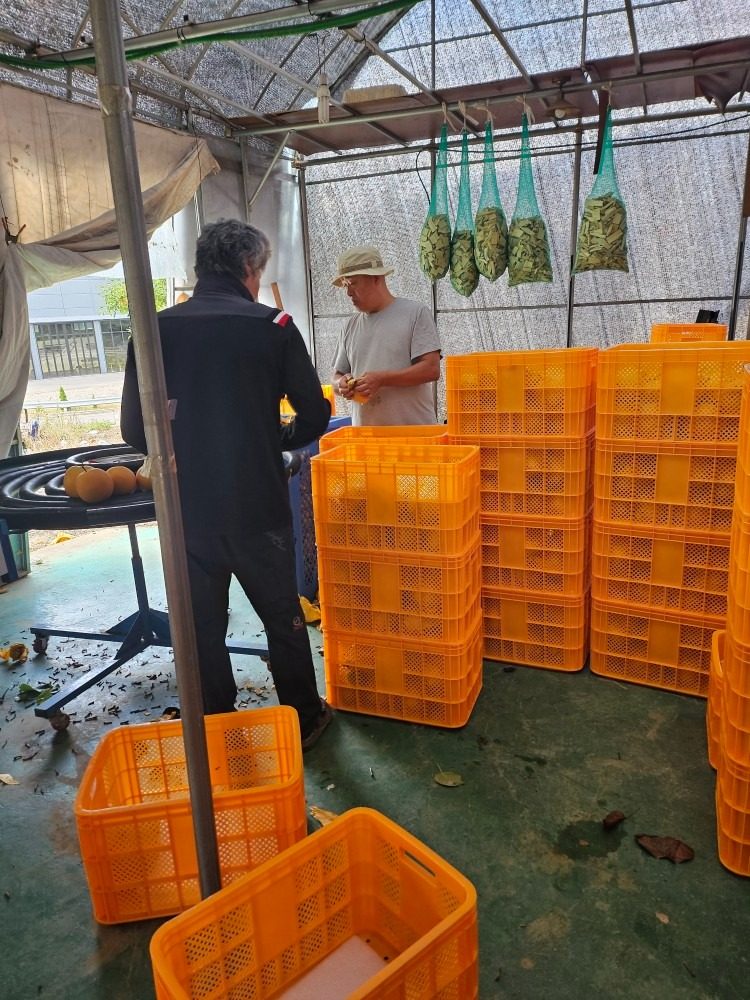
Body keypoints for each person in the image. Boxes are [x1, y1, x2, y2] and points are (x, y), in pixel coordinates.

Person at [120, 219, 333, 750]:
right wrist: (276, 436)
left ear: (199, 269)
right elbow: (314, 414)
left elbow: (132, 428)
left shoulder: (154, 329)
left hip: (186, 510)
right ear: (248, 269)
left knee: (200, 624)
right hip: (257, 504)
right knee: (282, 617)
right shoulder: (274, 326)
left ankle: (216, 716)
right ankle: (305, 719)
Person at [331, 245, 441, 425]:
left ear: (376, 278)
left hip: (415, 438)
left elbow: (431, 369)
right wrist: (341, 384)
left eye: (352, 283)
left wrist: (382, 379)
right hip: (367, 441)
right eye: (345, 285)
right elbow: (337, 375)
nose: (349, 292)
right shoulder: (350, 325)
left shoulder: (415, 313)